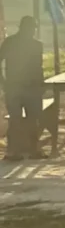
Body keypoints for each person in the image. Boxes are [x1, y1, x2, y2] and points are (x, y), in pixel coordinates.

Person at [0, 16, 46, 161]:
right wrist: (4, 82)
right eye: (32, 28)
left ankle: (25, 150)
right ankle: (20, 151)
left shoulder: (16, 43)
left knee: (25, 120)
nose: (33, 31)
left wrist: (41, 84)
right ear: (25, 27)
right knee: (20, 119)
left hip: (23, 87)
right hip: (19, 87)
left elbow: (38, 67)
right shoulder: (14, 43)